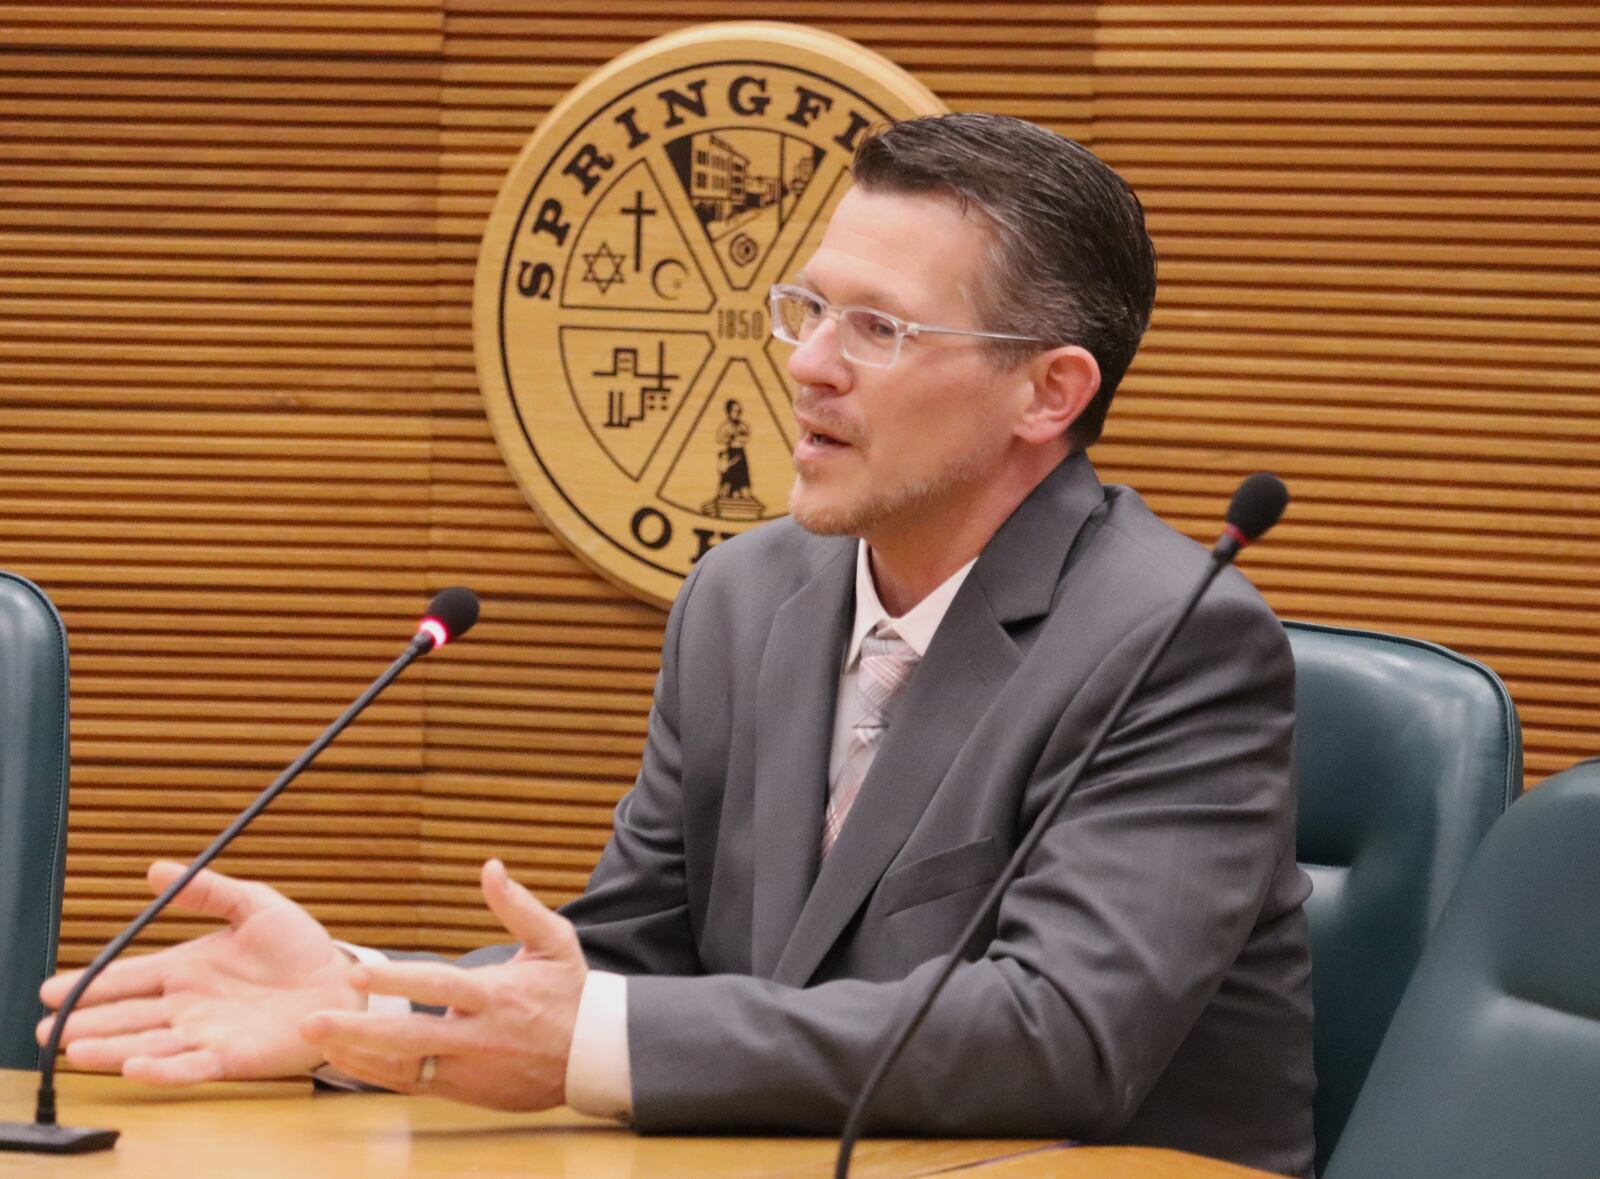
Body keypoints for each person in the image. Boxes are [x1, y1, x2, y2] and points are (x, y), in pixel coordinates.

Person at [39, 113, 1316, 1177]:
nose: (807, 365)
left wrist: (585, 1038)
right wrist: (363, 1003)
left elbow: (1056, 1035)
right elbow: (641, 948)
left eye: (878, 328)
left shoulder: (1174, 637)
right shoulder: (750, 593)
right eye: (808, 307)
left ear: (1049, 392)